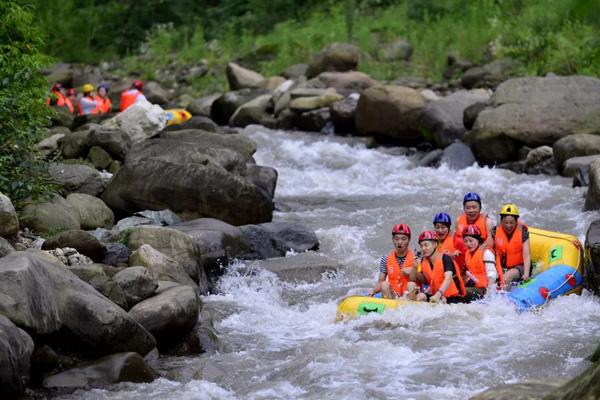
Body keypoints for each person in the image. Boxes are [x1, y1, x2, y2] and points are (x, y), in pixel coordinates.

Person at [368, 223, 421, 300]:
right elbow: (380, 281)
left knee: (411, 285)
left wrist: (414, 270)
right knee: (384, 285)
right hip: (393, 295)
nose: (400, 242)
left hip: (409, 295)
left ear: (409, 240)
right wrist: (373, 291)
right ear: (393, 239)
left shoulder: (417, 258)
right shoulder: (385, 259)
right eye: (396, 239)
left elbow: (424, 280)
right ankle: (389, 308)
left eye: (403, 239)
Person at [416, 230, 466, 304]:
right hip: (437, 296)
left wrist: (438, 294)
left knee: (442, 300)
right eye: (421, 246)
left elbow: (448, 278)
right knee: (420, 296)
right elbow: (429, 282)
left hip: (455, 297)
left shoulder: (446, 258)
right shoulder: (423, 262)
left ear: (435, 245)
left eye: (426, 245)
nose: (423, 248)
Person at [492, 204, 531, 290]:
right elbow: (489, 250)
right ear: (501, 221)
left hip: (519, 266)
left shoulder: (523, 232)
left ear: (516, 221)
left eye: (511, 222)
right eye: (505, 222)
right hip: (501, 266)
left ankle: (500, 300)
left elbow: (526, 255)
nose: (508, 225)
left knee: (506, 278)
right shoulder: (495, 231)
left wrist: (526, 273)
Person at [462, 225, 502, 302]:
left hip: (485, 290)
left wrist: (488, 295)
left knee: (462, 292)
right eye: (465, 241)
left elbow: (492, 274)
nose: (468, 244)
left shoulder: (486, 252)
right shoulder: (468, 253)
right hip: (475, 286)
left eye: (471, 241)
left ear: (478, 240)